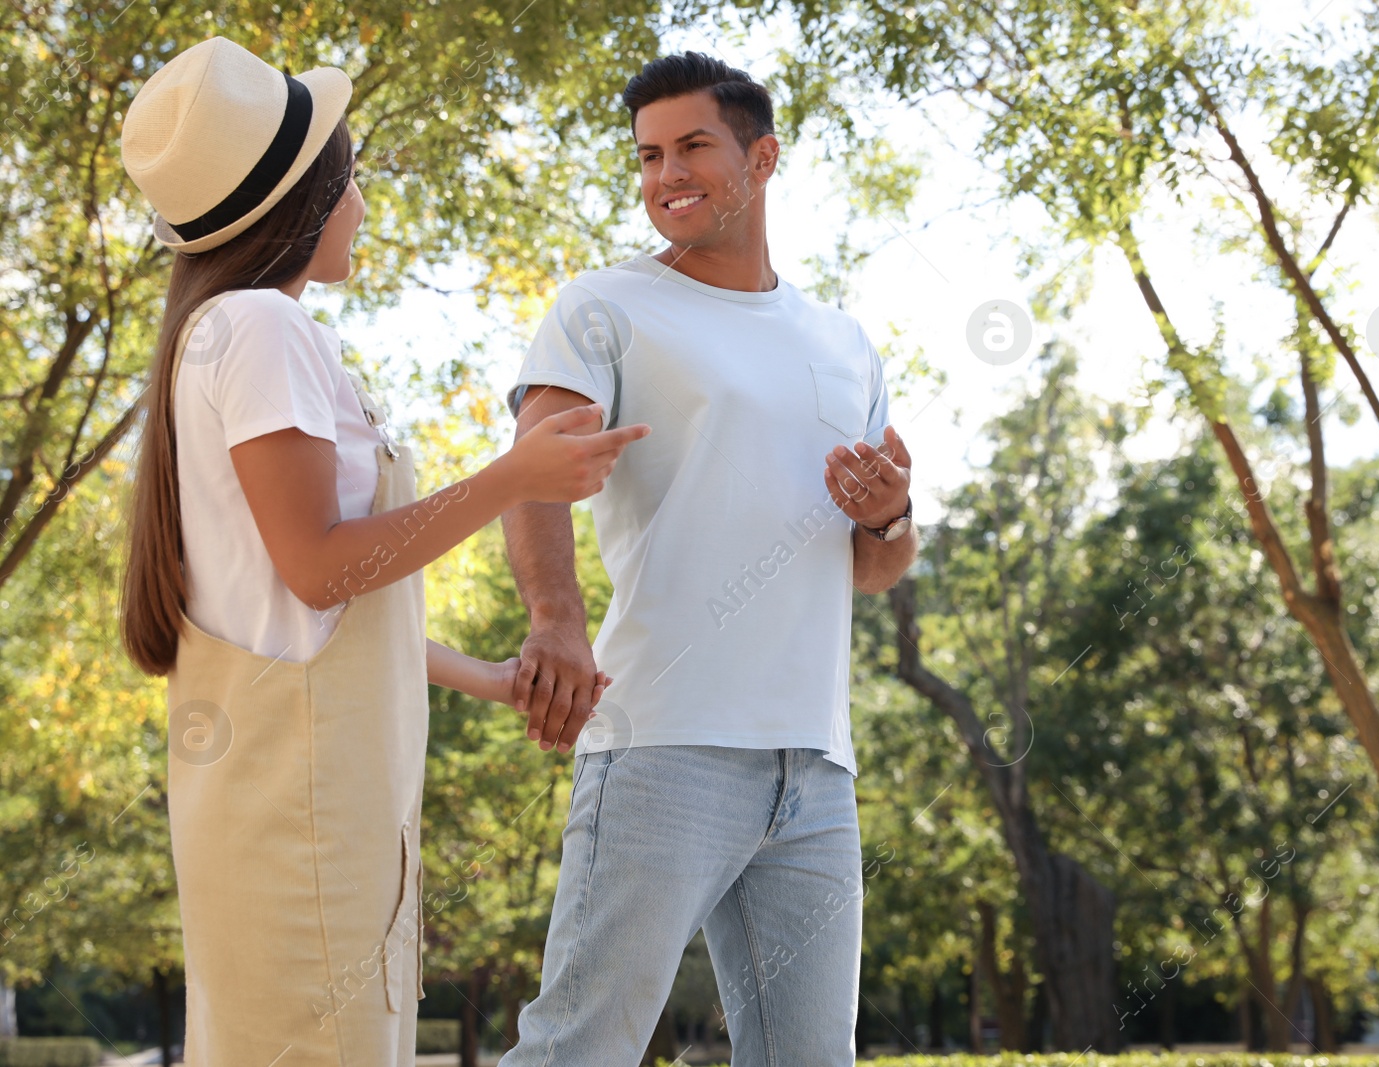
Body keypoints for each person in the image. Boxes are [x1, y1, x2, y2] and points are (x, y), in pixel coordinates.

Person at [114, 36, 649, 1065]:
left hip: (298, 795)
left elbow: (307, 606)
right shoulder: (263, 328)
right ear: (304, 202)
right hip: (302, 813)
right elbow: (321, 564)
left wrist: (486, 678)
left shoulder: (224, 330)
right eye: (351, 180)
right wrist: (512, 477)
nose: (362, 203)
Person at [500, 51, 918, 1064]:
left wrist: (889, 515)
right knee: (578, 1049)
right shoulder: (606, 306)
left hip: (814, 765)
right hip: (662, 743)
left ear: (761, 156)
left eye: (691, 146)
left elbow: (871, 568)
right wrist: (554, 618)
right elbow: (532, 467)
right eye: (648, 155)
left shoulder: (844, 342)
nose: (664, 175)